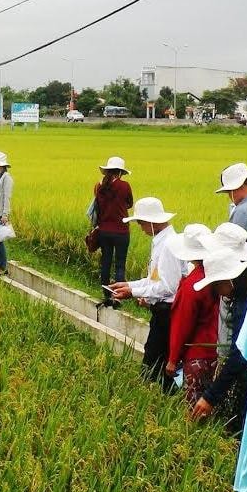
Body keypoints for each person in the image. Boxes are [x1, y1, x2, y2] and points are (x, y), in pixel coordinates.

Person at [189, 224, 247, 431]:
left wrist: (210, 396)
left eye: (216, 286)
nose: (218, 293)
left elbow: (241, 352)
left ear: (228, 279)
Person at [108, 197, 181, 389]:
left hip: (168, 312)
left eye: (141, 222)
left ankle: (158, 401)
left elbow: (168, 287)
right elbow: (153, 280)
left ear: (151, 221)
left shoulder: (169, 245)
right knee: (153, 358)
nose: (140, 227)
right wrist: (128, 285)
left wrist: (132, 291)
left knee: (155, 362)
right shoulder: (161, 241)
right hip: (160, 310)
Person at [164, 223, 218, 406]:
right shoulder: (218, 276)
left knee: (193, 410)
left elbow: (182, 324)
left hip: (196, 355)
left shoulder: (192, 285)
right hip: (216, 352)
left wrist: (172, 359)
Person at [92, 157, 134, 305]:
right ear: (121, 172)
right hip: (121, 231)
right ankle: (118, 296)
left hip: (104, 231)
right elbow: (129, 203)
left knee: (106, 262)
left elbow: (97, 205)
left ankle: (106, 294)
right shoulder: (124, 186)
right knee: (120, 264)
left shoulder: (99, 186)